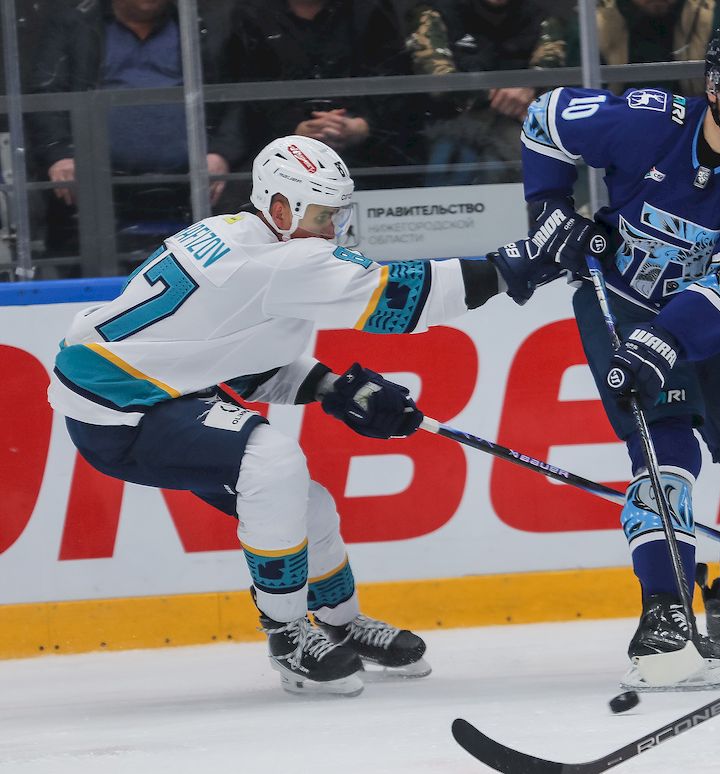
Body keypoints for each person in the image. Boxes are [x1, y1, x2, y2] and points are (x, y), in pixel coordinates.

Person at [46, 135, 558, 696]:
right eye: (320, 215)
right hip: (119, 412)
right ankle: (287, 636)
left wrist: (334, 389)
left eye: (337, 215)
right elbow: (405, 298)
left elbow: (231, 359)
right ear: (279, 207)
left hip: (147, 391)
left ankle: (341, 624)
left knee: (304, 501)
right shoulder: (285, 260)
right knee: (272, 462)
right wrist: (521, 266)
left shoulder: (230, 235)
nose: (331, 229)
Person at [518, 21, 720, 691]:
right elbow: (545, 118)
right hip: (619, 306)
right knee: (668, 456)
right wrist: (549, 209)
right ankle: (663, 619)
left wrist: (669, 339)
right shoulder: (649, 122)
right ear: (713, 85)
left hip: (707, 330)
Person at [26, 0, 242, 258]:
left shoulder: (201, 24)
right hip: (94, 186)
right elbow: (45, 92)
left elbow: (236, 93)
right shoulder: (76, 23)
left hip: (189, 185)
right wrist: (59, 153)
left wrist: (221, 152)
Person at [224, 0, 418, 175]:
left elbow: (395, 81)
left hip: (371, 157)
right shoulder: (253, 13)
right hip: (280, 157)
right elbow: (248, 90)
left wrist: (362, 126)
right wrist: (295, 128)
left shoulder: (370, 8)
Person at [405, 0, 567, 186]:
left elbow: (549, 67)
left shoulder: (541, 17)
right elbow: (437, 77)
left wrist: (528, 88)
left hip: (516, 127)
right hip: (449, 126)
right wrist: (497, 95)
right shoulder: (434, 13)